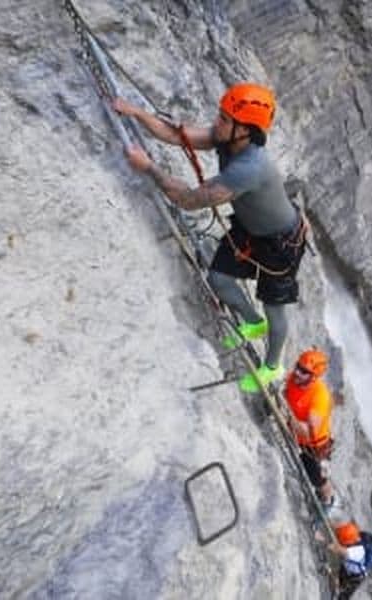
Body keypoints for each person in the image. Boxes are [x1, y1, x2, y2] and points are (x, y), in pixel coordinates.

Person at [113, 83, 306, 393]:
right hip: (251, 229)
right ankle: (251, 322)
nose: (217, 123)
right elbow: (178, 136)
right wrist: (136, 112)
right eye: (221, 116)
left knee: (275, 309)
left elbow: (189, 200)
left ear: (245, 130)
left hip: (280, 243)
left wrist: (148, 167)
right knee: (219, 278)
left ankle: (273, 366)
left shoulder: (249, 168)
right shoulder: (228, 140)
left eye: (225, 119)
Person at [284, 348, 336, 510]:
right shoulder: (293, 378)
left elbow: (308, 430)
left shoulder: (320, 396)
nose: (298, 373)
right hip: (295, 434)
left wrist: (286, 414)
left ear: (314, 377)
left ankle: (328, 500)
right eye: (298, 367)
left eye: (304, 371)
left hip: (314, 446)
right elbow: (287, 391)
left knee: (316, 477)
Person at [318, 522, 369, 600]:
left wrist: (322, 539)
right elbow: (336, 529)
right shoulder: (351, 536)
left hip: (355, 576)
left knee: (342, 597)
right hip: (346, 567)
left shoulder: (356, 551)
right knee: (335, 582)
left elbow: (337, 549)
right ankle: (332, 585)